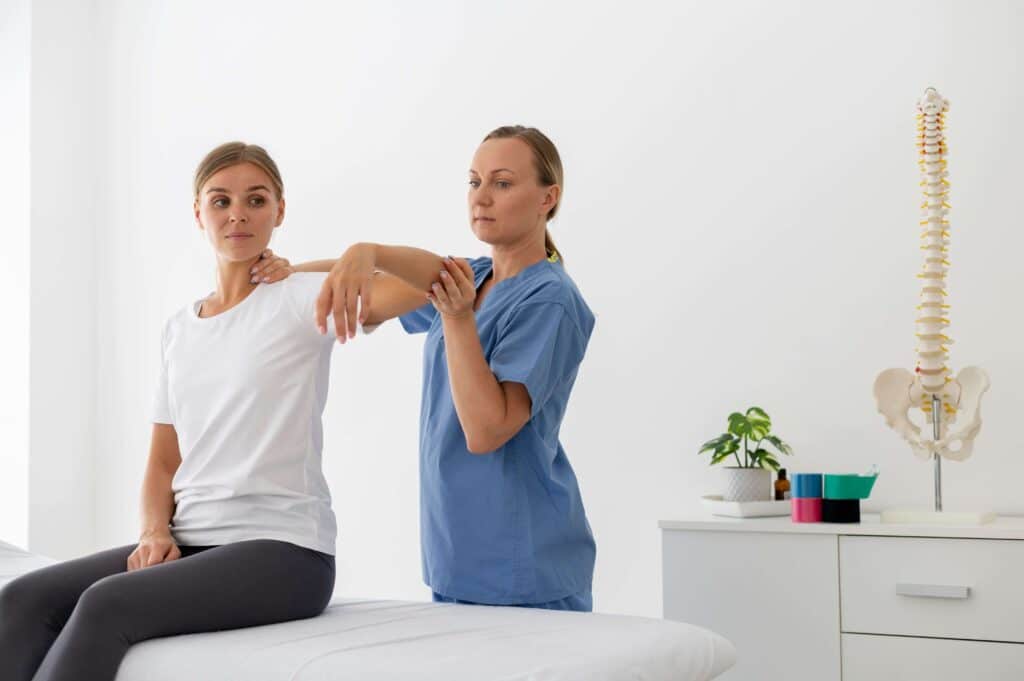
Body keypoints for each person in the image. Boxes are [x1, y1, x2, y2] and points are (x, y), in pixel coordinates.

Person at [0, 142, 343, 681]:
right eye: (221, 200)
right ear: (198, 212)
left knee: (106, 604)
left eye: (256, 200)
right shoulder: (180, 328)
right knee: (21, 597)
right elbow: (164, 461)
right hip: (192, 538)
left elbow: (426, 281)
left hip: (285, 552)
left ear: (279, 210)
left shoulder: (303, 298)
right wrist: (154, 532)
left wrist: (336, 260)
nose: (238, 214)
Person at [261, 125, 597, 611]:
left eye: (502, 183)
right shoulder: (473, 277)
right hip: (456, 558)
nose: (481, 197)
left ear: (549, 197)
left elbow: (486, 429)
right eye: (474, 181)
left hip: (526, 566)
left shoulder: (551, 299)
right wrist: (285, 274)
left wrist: (457, 317)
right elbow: (370, 291)